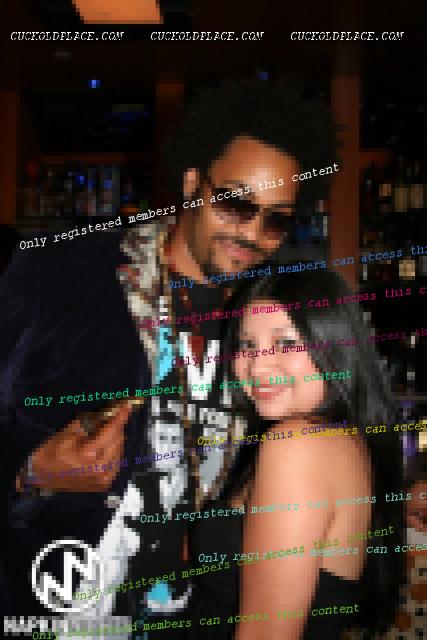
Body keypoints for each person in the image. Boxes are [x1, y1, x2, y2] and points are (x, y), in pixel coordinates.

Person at [0, 76, 336, 634]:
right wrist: (29, 469)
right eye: (234, 203)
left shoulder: (265, 325)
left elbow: (318, 442)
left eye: (275, 218)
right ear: (192, 184)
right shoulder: (62, 274)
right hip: (51, 609)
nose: (252, 233)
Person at [193, 269, 405, 639]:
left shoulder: (298, 443)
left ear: (335, 347)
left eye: (286, 343)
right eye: (247, 345)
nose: (258, 365)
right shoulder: (339, 439)